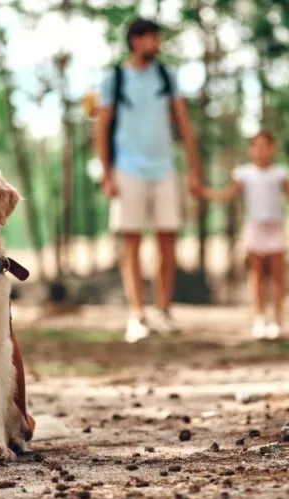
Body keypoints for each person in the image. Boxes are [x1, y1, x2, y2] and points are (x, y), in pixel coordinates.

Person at [95, 18, 202, 343]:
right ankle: (137, 315)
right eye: (152, 38)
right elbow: (101, 127)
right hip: (128, 169)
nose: (157, 44)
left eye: (158, 38)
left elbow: (183, 124)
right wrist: (106, 172)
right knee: (131, 242)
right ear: (135, 41)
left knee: (168, 239)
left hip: (165, 168)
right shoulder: (114, 78)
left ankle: (163, 311)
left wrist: (194, 170)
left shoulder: (167, 77)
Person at [200, 131, 289, 340]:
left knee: (277, 276)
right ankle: (260, 318)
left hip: (275, 228)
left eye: (266, 146)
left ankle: (278, 320)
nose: (262, 151)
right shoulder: (244, 174)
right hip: (255, 228)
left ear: (273, 149)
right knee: (256, 275)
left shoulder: (280, 174)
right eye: (258, 146)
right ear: (251, 150)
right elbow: (227, 194)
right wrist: (204, 192)